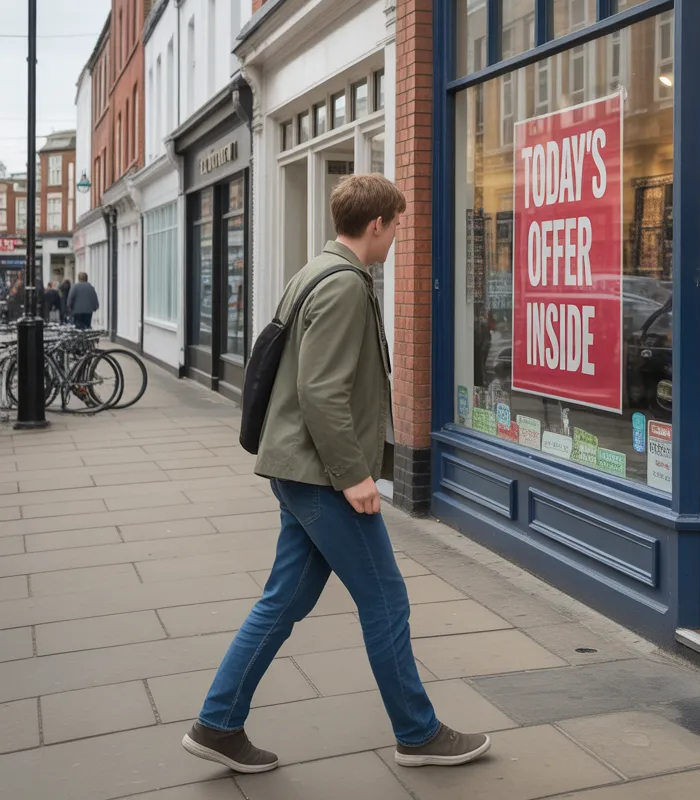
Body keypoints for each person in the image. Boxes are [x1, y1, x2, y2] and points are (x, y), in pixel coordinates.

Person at [182, 174, 491, 775]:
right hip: (321, 474)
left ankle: (217, 723)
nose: (399, 235)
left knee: (286, 598)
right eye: (398, 224)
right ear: (376, 224)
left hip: (297, 465)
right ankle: (418, 733)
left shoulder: (314, 271)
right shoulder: (347, 285)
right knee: (386, 600)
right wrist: (356, 476)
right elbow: (321, 391)